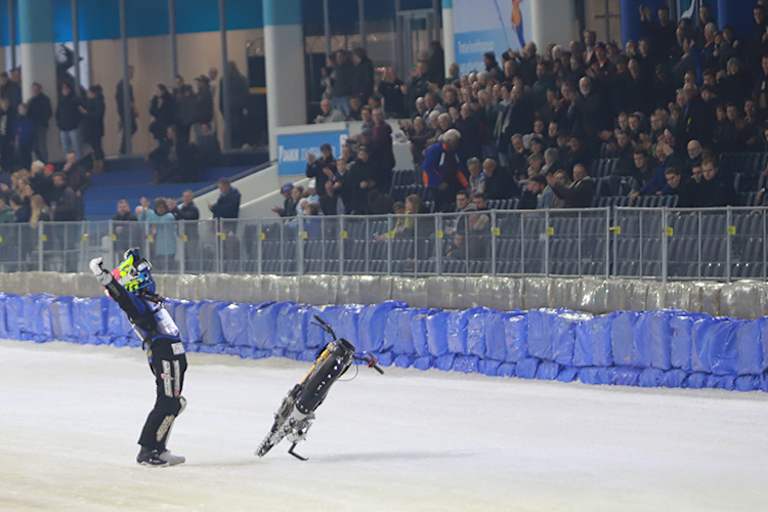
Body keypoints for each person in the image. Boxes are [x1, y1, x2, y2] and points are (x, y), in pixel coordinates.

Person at [88, 249, 187, 467]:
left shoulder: (147, 297)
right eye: (138, 273)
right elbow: (120, 296)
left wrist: (134, 260)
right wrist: (106, 278)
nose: (146, 276)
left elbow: (144, 281)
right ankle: (149, 450)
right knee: (168, 403)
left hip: (174, 353)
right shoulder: (135, 303)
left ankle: (158, 448)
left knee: (175, 403)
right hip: (164, 354)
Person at [81, 85, 106, 172]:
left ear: (93, 93)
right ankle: (98, 165)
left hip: (95, 128)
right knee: (95, 147)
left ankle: (100, 165)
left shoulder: (98, 102)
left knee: (96, 147)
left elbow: (98, 115)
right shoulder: (92, 101)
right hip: (92, 128)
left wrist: (86, 113)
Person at [27, 82, 52, 162]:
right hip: (32, 127)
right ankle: (38, 165)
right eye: (33, 89)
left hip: (41, 126)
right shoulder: (30, 100)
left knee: (42, 147)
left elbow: (49, 113)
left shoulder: (45, 99)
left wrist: (41, 121)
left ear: (40, 89)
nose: (34, 91)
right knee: (34, 147)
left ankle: (46, 164)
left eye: (36, 89)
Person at [56, 82, 82, 158]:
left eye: (66, 88)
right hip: (63, 128)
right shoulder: (61, 101)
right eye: (63, 89)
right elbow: (57, 113)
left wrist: (76, 122)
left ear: (69, 89)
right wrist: (59, 123)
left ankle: (79, 164)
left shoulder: (75, 100)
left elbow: (81, 112)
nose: (64, 90)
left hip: (74, 127)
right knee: (65, 148)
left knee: (76, 147)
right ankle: (69, 164)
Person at [116, 66, 137, 154]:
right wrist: (134, 109)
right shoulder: (123, 85)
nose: (132, 74)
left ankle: (124, 149)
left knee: (131, 128)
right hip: (125, 111)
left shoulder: (125, 85)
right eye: (131, 72)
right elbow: (127, 100)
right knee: (131, 128)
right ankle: (123, 150)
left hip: (125, 111)